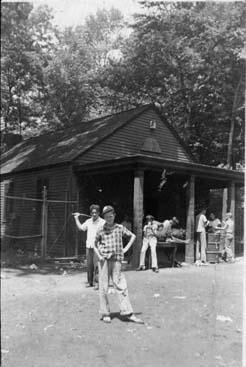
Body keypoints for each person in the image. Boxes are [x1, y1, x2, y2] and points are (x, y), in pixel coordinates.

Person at [93, 205, 144, 324]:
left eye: (111, 216)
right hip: (104, 261)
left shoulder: (120, 228)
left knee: (120, 285)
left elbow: (133, 236)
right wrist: (100, 256)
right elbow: (94, 244)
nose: (109, 219)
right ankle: (105, 313)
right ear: (104, 217)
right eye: (106, 217)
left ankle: (127, 312)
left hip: (117, 260)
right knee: (103, 286)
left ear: (114, 216)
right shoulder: (101, 229)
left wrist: (125, 249)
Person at [73, 205, 105, 289]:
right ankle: (90, 282)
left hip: (98, 247)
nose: (94, 214)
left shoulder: (102, 222)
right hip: (89, 246)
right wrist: (76, 218)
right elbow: (81, 228)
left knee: (97, 265)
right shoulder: (88, 221)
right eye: (92, 213)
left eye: (96, 212)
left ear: (98, 213)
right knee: (89, 265)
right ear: (90, 213)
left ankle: (97, 283)